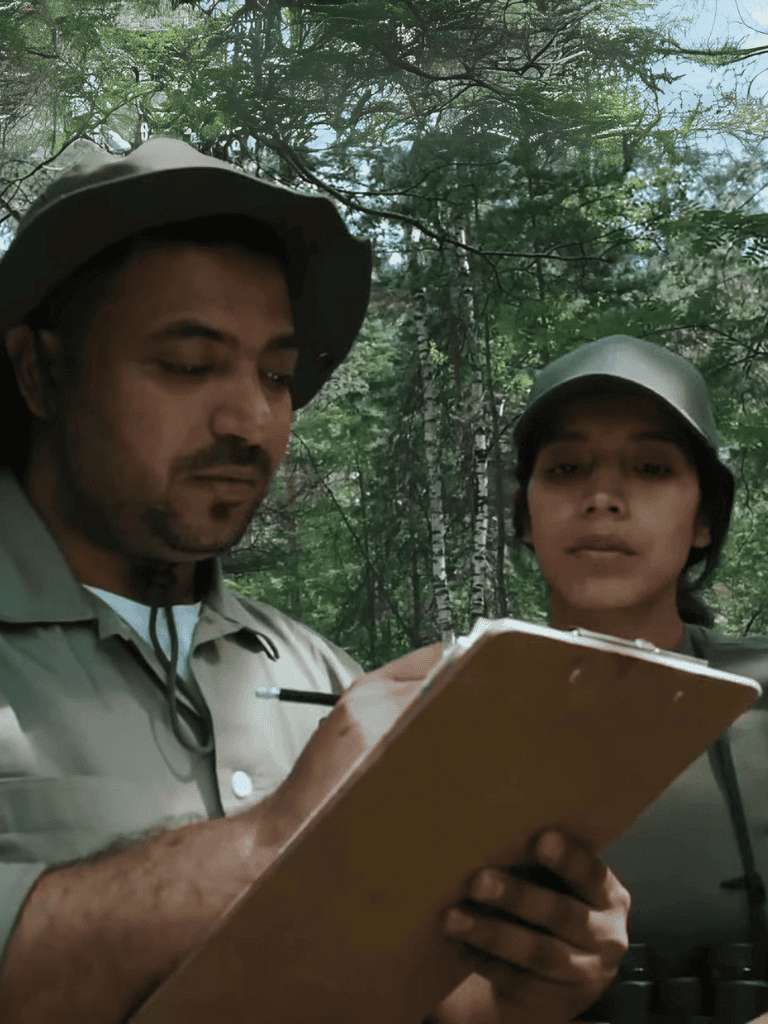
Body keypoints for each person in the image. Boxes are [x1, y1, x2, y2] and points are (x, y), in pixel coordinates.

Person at [0, 137, 629, 1024]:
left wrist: (531, 975)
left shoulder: (328, 677)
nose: (251, 418)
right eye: (188, 364)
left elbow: (406, 988)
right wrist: (268, 840)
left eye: (278, 375)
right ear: (39, 370)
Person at [512, 333, 768, 1024]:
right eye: (565, 469)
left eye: (651, 468)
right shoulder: (436, 715)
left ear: (706, 519)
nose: (602, 497)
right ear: (525, 513)